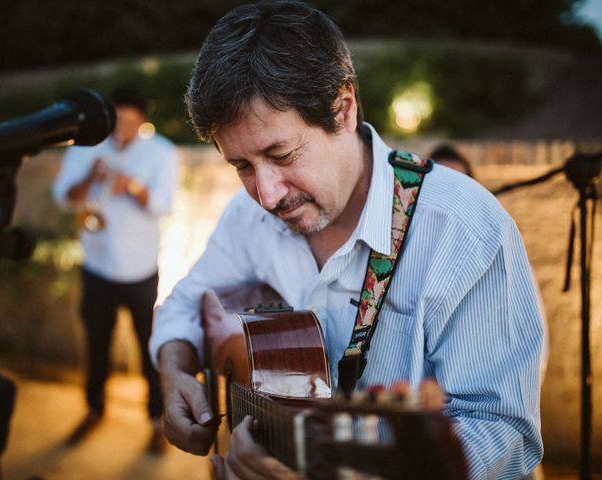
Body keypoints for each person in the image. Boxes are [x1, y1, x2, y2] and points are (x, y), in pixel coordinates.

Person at [149, 2, 545, 478]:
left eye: (282, 153)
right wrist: (174, 373)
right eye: (242, 166)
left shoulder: (466, 231)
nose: (267, 194)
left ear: (344, 109)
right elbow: (184, 306)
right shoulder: (245, 218)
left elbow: (506, 434)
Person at [53, 84, 179, 453]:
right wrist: (91, 177)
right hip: (96, 265)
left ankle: (157, 419)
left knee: (148, 346)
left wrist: (134, 189)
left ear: (142, 120)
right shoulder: (86, 149)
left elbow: (164, 205)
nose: (122, 128)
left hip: (141, 269)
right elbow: (64, 198)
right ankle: (93, 409)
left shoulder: (162, 152)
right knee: (96, 343)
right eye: (117, 120)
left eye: (130, 121)